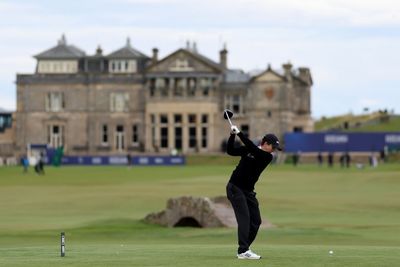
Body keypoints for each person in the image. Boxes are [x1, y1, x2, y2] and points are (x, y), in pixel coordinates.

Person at [226, 125, 282, 260]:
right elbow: (230, 151)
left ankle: (245, 249)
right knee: (244, 219)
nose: (274, 150)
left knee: (256, 221)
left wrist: (240, 133)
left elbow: (253, 149)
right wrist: (232, 135)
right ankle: (243, 251)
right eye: (273, 147)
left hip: (248, 191)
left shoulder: (267, 157)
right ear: (265, 143)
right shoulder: (249, 149)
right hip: (235, 188)